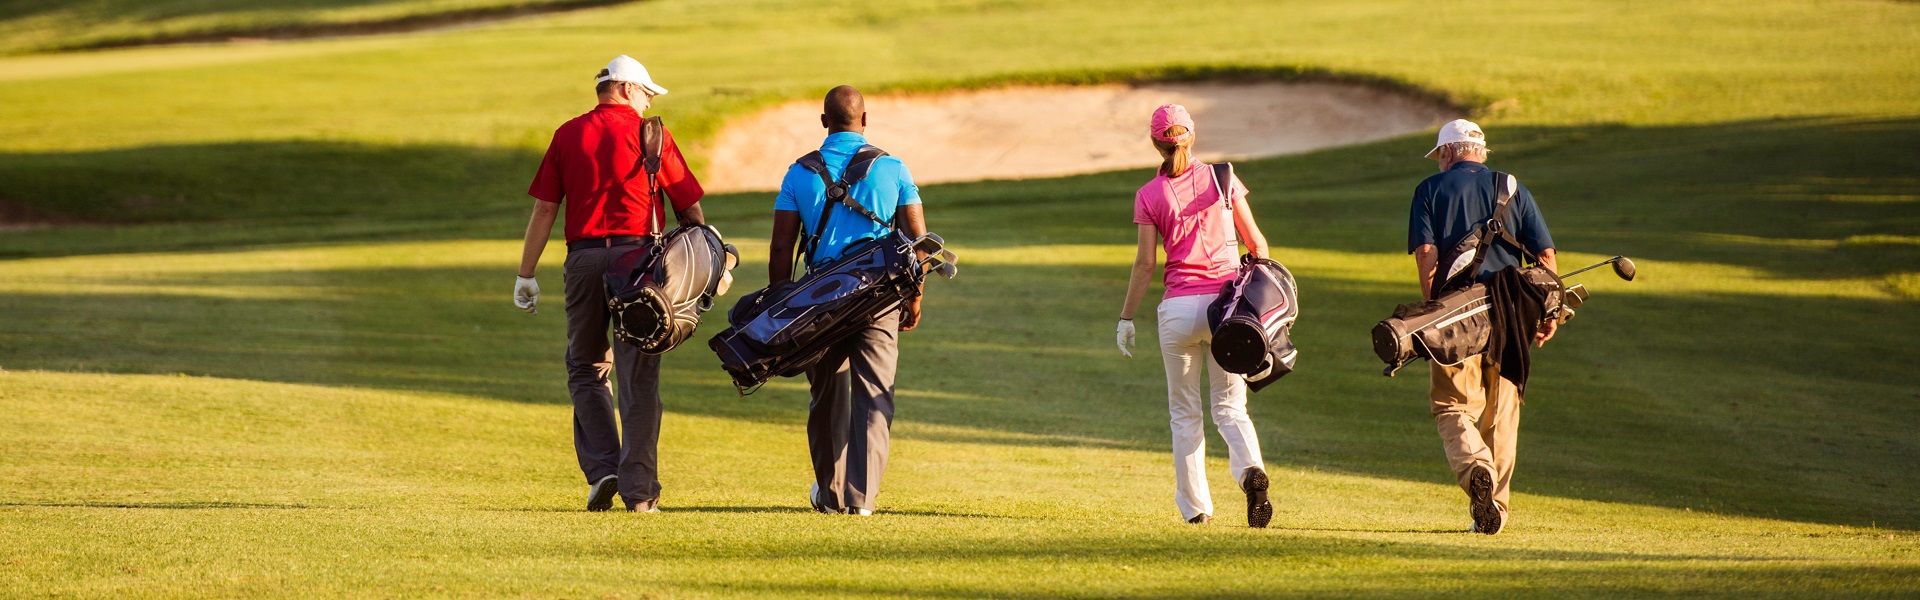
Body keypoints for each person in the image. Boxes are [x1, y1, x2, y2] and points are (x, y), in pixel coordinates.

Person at [514, 55, 707, 513]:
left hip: (582, 261)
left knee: (585, 366)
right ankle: (639, 494)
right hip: (638, 264)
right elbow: (689, 208)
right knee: (638, 377)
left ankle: (603, 468)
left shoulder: (567, 133)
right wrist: (705, 263)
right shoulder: (651, 134)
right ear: (626, 88)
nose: (648, 102)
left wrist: (526, 273)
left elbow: (545, 209)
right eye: (646, 93)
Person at [765, 85, 926, 516]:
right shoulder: (893, 167)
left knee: (826, 397)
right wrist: (914, 297)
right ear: (865, 120)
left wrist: (780, 306)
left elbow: (781, 246)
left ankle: (831, 494)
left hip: (819, 300)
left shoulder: (799, 172)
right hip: (880, 296)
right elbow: (919, 241)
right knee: (874, 395)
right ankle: (861, 500)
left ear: (824, 122)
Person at [1116, 104, 1276, 528]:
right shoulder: (1223, 178)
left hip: (1178, 312)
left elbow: (1145, 264)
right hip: (1227, 310)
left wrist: (1126, 318)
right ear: (1192, 134)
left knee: (1184, 414)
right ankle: (1250, 471)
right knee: (1230, 407)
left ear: (1156, 144)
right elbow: (1257, 245)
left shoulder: (1148, 194)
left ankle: (1196, 511)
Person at [1406, 118, 1557, 535]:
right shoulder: (1512, 187)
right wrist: (1548, 313)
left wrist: (1433, 310)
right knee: (1501, 415)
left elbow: (1426, 253)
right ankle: (1495, 513)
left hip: (1457, 316)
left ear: (1448, 151)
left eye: (1439, 155)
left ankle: (1476, 470)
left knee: (1452, 406)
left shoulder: (1429, 190)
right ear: (1480, 151)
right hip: (1513, 313)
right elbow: (1545, 257)